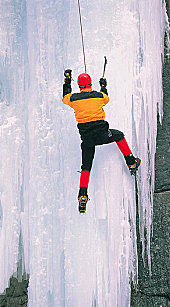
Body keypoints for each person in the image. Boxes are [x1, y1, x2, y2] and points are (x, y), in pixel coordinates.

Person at [62, 69, 141, 213]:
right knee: (119, 135)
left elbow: (65, 97)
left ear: (79, 85)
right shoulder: (98, 96)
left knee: (86, 166)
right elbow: (106, 97)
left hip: (87, 140)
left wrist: (67, 80)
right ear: (90, 83)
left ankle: (82, 195)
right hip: (103, 135)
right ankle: (131, 162)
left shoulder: (74, 99)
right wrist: (103, 85)